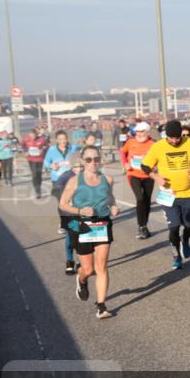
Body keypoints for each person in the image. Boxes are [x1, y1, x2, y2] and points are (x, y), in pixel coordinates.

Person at [59, 145, 120, 319]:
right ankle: (82, 280)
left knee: (101, 267)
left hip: (102, 224)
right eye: (88, 159)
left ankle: (101, 306)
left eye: (96, 159)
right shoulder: (74, 181)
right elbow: (63, 204)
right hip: (83, 225)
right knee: (87, 269)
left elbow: (110, 197)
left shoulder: (107, 179)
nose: (93, 163)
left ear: (100, 160)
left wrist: (114, 206)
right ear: (83, 161)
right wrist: (80, 212)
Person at [140, 119, 190, 270]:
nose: (175, 141)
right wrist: (156, 177)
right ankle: (176, 254)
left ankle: (186, 240)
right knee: (174, 226)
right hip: (169, 194)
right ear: (166, 136)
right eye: (171, 138)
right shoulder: (158, 147)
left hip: (188, 192)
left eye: (177, 138)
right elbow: (145, 165)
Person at [121, 121, 156, 239]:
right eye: (137, 132)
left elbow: (159, 157)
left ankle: (144, 225)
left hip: (148, 175)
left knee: (146, 200)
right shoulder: (130, 142)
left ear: (148, 132)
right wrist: (125, 163)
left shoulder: (153, 143)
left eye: (141, 132)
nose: (139, 134)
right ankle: (141, 226)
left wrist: (156, 167)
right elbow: (122, 152)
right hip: (133, 174)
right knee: (140, 199)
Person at [44, 130, 77, 237]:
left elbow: (82, 156)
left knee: (74, 202)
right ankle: (63, 224)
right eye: (60, 139)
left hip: (72, 179)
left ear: (67, 139)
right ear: (57, 140)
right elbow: (46, 162)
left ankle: (74, 222)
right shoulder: (52, 150)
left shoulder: (73, 148)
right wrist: (51, 166)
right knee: (62, 203)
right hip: (57, 179)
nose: (63, 141)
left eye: (64, 139)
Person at [53, 161, 83, 274]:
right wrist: (66, 200)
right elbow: (56, 191)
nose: (79, 168)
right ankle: (70, 261)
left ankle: (82, 260)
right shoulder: (65, 176)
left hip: (84, 211)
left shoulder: (89, 175)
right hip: (69, 212)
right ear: (71, 166)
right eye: (76, 166)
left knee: (84, 236)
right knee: (72, 235)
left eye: (81, 166)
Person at [21, 126, 50, 198]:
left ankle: (39, 186)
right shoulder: (26, 139)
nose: (32, 137)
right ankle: (37, 191)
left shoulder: (42, 139)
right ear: (29, 135)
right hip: (31, 159)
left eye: (34, 136)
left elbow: (46, 146)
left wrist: (42, 150)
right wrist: (25, 151)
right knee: (34, 174)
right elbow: (22, 145)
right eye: (31, 136)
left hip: (39, 159)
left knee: (38, 174)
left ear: (36, 135)